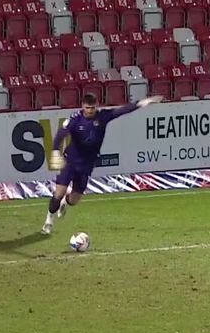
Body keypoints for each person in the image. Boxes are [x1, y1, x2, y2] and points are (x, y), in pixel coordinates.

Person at [41, 93, 164, 235]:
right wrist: (55, 151)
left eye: (92, 108)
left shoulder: (102, 117)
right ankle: (48, 221)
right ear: (83, 107)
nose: (90, 111)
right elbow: (59, 135)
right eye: (87, 108)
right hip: (70, 162)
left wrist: (144, 102)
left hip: (86, 165)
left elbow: (122, 111)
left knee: (74, 200)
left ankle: (65, 202)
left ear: (96, 106)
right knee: (58, 193)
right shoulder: (75, 119)